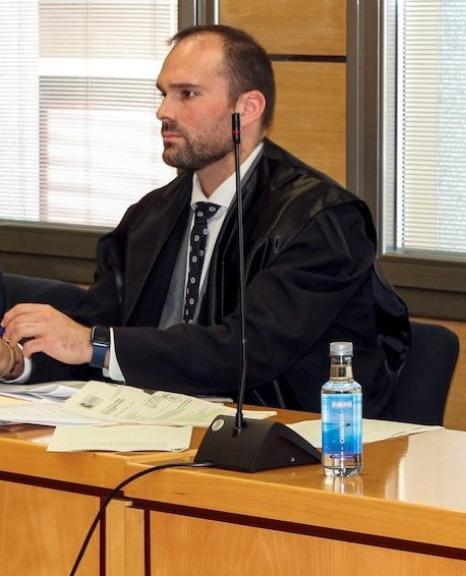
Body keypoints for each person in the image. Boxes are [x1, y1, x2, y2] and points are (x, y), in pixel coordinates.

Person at [0, 25, 410, 416]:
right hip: (148, 432)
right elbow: (90, 334)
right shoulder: (148, 217)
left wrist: (96, 344)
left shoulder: (320, 219)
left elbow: (249, 350)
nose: (163, 111)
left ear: (247, 108)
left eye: (187, 94)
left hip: (287, 442)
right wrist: (16, 361)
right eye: (164, 94)